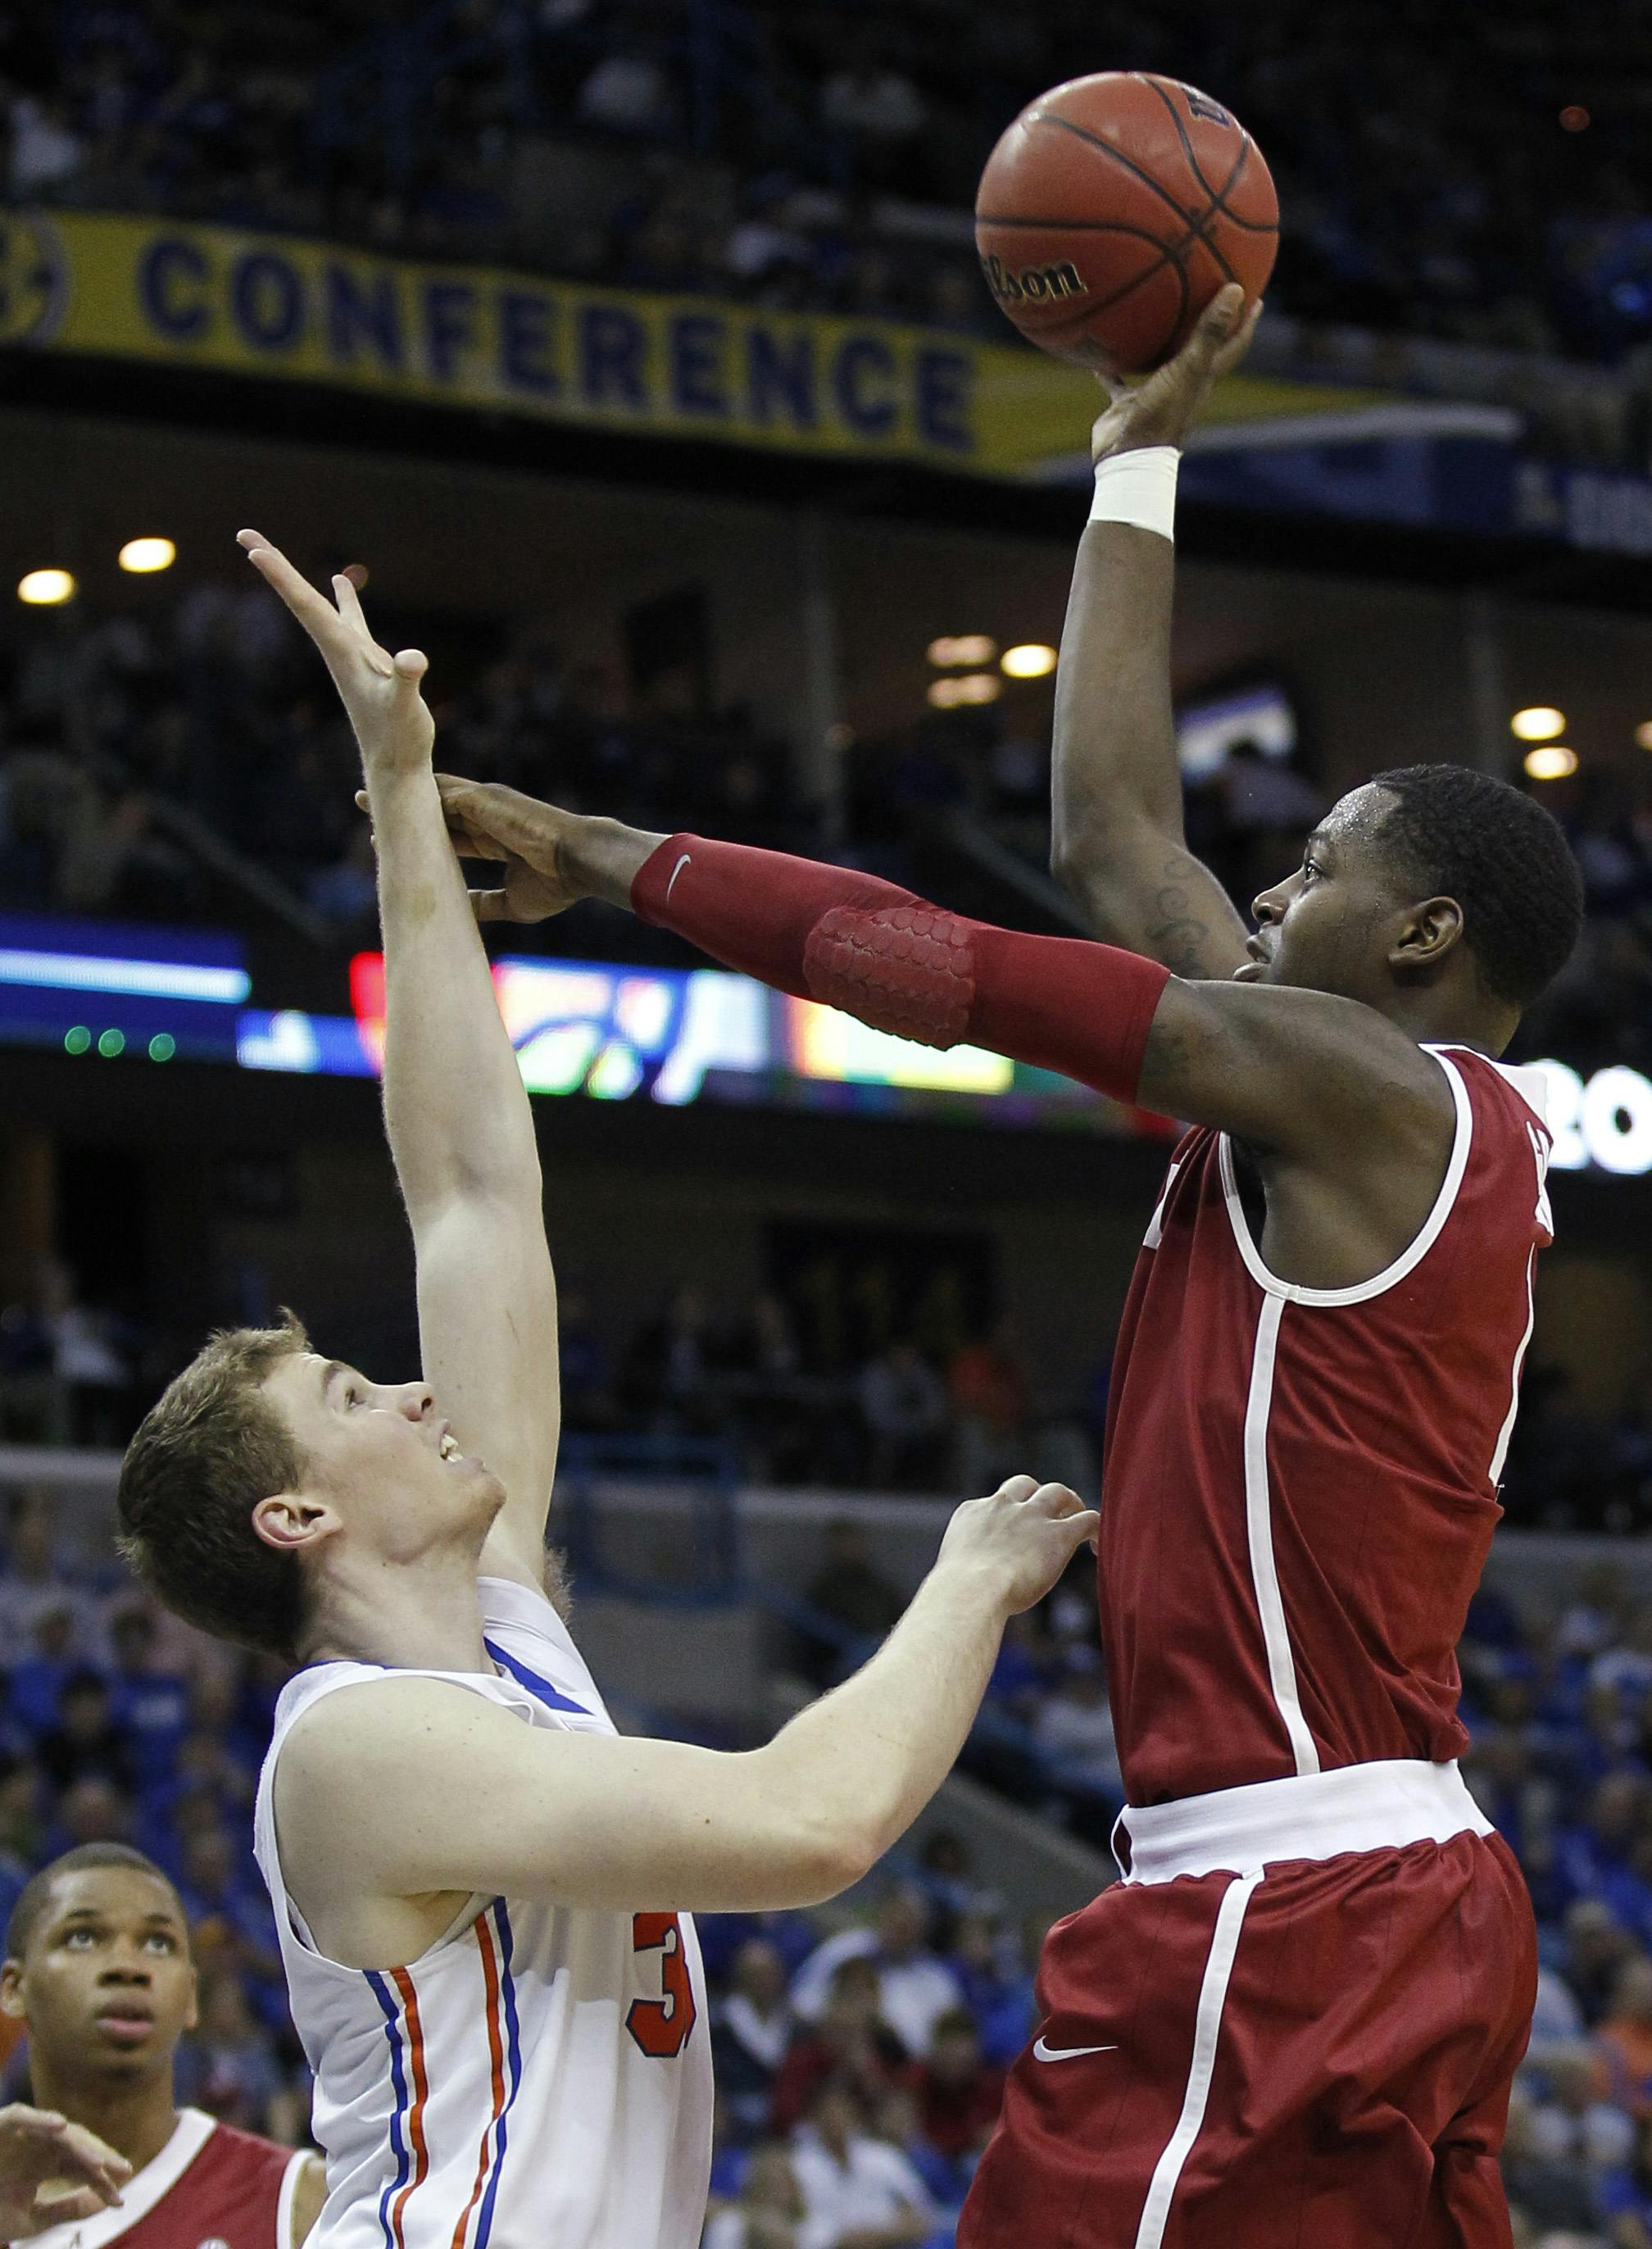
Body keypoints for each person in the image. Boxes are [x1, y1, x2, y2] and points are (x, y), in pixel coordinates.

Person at [429, 284, 1585, 2249]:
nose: (1275, 884)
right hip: (1366, 1890)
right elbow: (1109, 828)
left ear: (1424, 936)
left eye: (1322, 862)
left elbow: (942, 966)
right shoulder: (1331, 1099)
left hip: (1286, 1907)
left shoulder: (1377, 1095)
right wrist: (1138, 444)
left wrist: (601, 850)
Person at [114, 534, 1098, 2249]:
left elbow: (471, 1188)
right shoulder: (357, 1750)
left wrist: (403, 797)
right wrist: (966, 1584)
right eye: (352, 1391)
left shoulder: (497, 1632)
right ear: (298, 1512)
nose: (417, 1389)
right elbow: (811, 1820)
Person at [0, 1842, 324, 2247]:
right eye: (83, 1937)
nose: (128, 1967)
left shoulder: (299, 2201)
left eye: (157, 1943)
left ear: (190, 1997)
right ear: (14, 1988)